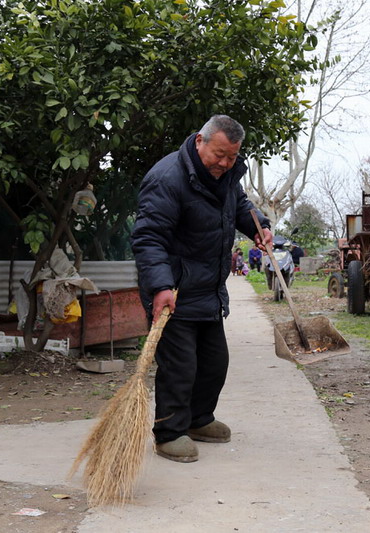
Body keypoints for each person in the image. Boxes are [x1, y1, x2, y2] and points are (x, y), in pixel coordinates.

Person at [131, 115, 273, 463]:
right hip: (174, 290)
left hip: (208, 288)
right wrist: (160, 286)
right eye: (219, 155)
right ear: (200, 141)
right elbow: (149, 238)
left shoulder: (226, 176)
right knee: (180, 367)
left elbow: (239, 205)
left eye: (232, 157)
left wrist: (259, 226)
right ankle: (169, 433)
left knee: (214, 363)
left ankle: (197, 420)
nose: (224, 163)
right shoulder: (167, 178)